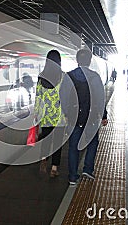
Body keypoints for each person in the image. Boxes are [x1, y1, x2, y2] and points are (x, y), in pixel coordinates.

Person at [60, 48, 108, 186]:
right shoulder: (95, 77)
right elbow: (100, 98)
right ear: (89, 61)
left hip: (74, 119)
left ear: (77, 60)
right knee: (92, 143)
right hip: (91, 118)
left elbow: (62, 98)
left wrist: (67, 114)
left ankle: (72, 177)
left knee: (73, 147)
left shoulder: (68, 76)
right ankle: (88, 169)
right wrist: (103, 115)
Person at [34, 50, 65, 177]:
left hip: (45, 116)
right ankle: (54, 168)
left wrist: (36, 115)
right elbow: (66, 96)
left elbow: (38, 97)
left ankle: (43, 160)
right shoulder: (63, 76)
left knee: (46, 140)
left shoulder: (41, 77)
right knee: (57, 143)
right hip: (59, 117)